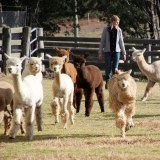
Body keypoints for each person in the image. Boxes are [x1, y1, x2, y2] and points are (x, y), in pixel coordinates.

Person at [98, 15, 126, 89]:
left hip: (117, 52)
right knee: (108, 68)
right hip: (108, 52)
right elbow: (102, 41)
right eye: (116, 22)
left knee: (115, 69)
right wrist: (100, 52)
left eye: (118, 22)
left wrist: (124, 53)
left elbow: (121, 42)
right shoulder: (106, 29)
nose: (117, 23)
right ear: (113, 21)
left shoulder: (119, 30)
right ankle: (107, 82)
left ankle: (114, 84)